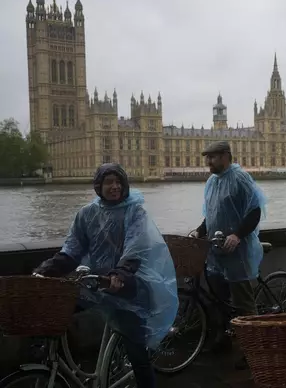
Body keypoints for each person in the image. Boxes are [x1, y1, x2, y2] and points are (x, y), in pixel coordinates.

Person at [33, 163, 178, 388]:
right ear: (98, 186)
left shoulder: (135, 212)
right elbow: (72, 249)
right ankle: (55, 360)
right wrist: (46, 269)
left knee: (137, 354)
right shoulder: (87, 213)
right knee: (57, 310)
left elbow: (136, 247)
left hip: (127, 284)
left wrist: (121, 272)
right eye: (109, 182)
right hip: (95, 283)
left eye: (119, 181)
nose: (115, 186)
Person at [193, 141, 266, 357]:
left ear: (226, 156)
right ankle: (223, 338)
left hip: (238, 251)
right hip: (217, 251)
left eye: (213, 157)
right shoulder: (212, 182)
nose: (208, 162)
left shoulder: (240, 178)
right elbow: (212, 214)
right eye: (207, 157)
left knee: (244, 303)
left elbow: (254, 211)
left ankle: (253, 350)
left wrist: (237, 235)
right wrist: (199, 231)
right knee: (219, 299)